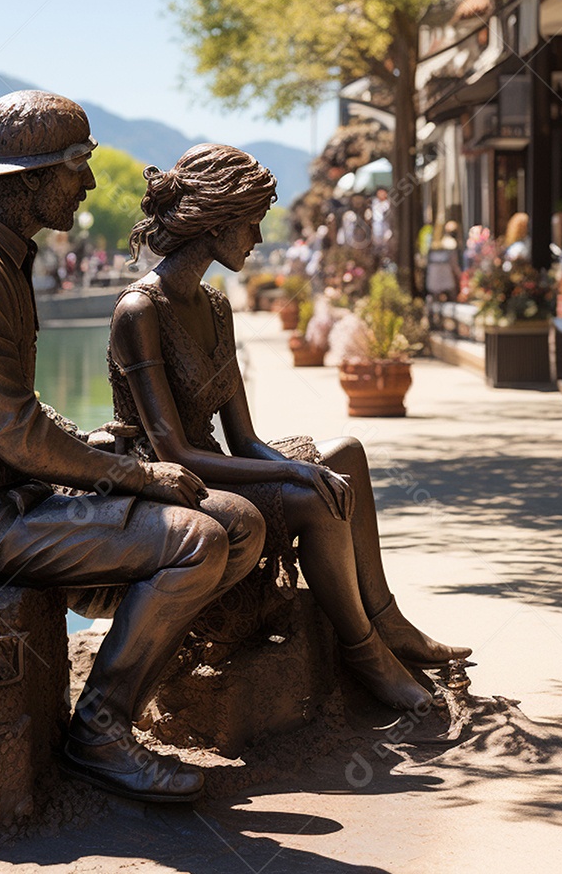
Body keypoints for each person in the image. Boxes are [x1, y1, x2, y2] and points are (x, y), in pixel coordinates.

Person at [0, 92, 266, 803]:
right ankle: (98, 730)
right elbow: (15, 433)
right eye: (77, 165)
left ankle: (124, 686)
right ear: (30, 177)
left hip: (8, 495)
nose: (89, 184)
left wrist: (89, 444)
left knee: (239, 523)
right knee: (195, 541)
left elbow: (17, 416)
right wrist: (136, 475)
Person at [108, 144, 471, 715]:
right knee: (314, 494)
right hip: (170, 482)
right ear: (217, 223)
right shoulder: (140, 310)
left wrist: (296, 463)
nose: (256, 238)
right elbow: (174, 451)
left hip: (215, 464)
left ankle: (389, 620)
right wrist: (291, 469)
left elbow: (243, 438)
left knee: (343, 453)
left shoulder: (215, 305)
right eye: (250, 224)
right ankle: (365, 653)